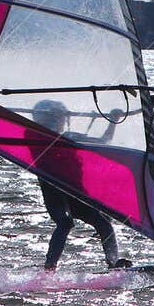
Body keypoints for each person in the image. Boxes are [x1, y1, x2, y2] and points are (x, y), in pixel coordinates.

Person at [30, 98, 132, 272]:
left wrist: (113, 121)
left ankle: (113, 262)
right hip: (54, 192)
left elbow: (104, 140)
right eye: (54, 120)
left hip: (76, 192)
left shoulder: (70, 136)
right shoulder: (33, 137)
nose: (58, 123)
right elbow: (49, 136)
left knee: (104, 223)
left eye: (60, 119)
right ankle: (49, 267)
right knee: (64, 222)